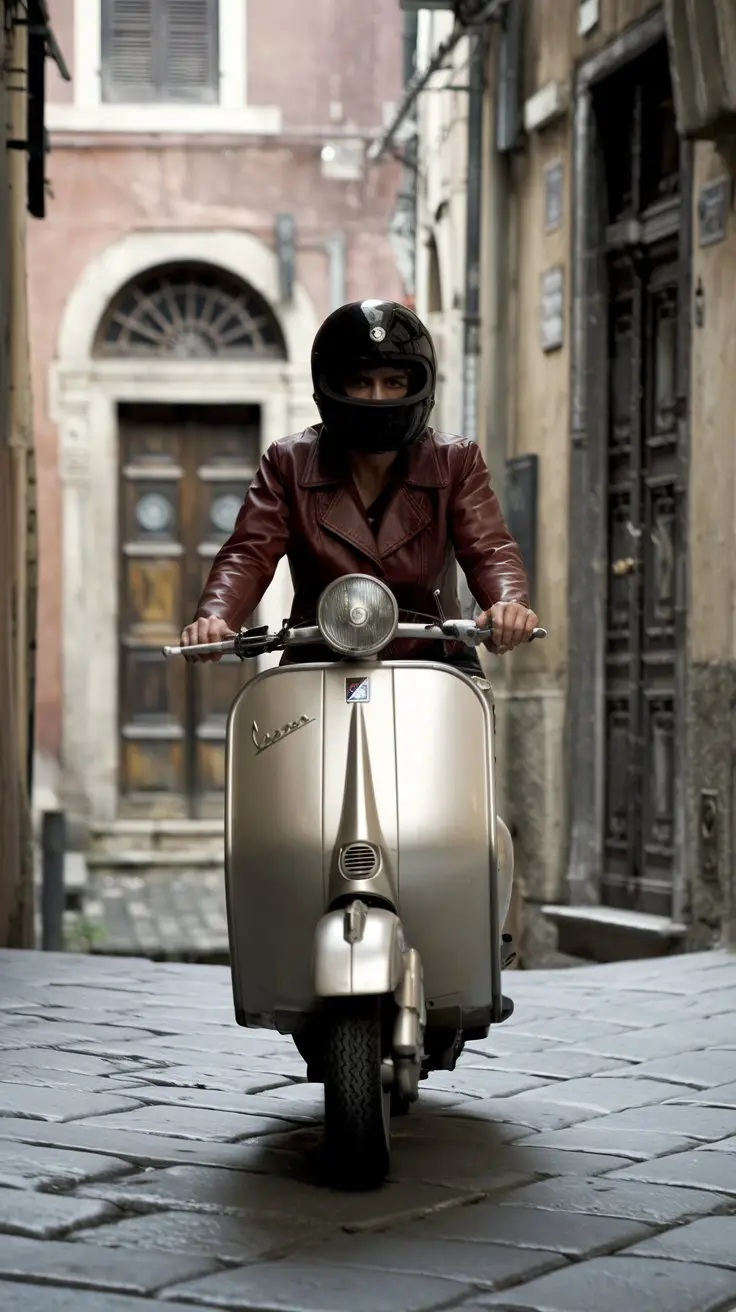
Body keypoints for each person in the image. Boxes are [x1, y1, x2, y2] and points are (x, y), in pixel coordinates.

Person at [181, 299, 538, 668]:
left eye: (394, 382)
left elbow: (489, 548)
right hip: (319, 658)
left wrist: (508, 602)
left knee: (469, 723)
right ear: (333, 385)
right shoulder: (289, 461)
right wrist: (217, 615)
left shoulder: (455, 460)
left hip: (432, 660)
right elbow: (249, 552)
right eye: (362, 382)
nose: (378, 397)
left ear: (417, 386)